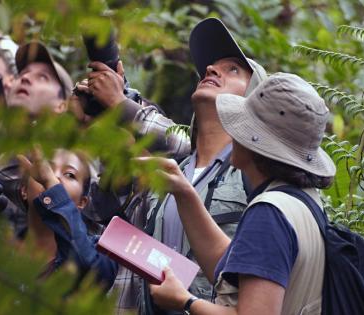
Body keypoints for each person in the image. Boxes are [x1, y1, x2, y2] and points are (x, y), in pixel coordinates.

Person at [86, 18, 267, 314]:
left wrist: (120, 102)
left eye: (232, 69)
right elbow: (98, 215)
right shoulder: (163, 170)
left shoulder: (255, 176)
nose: (210, 69)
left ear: (255, 102)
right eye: (211, 67)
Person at [144, 73, 336, 315]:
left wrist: (185, 300)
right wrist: (184, 193)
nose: (233, 134)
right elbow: (231, 265)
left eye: (242, 126)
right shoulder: (302, 201)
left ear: (257, 143)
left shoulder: (269, 214)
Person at [16, 148, 118, 288]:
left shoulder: (100, 251)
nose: (54, 177)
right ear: (24, 190)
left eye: (70, 175)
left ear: (82, 203)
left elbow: (89, 271)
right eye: (47, 168)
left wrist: (52, 186)